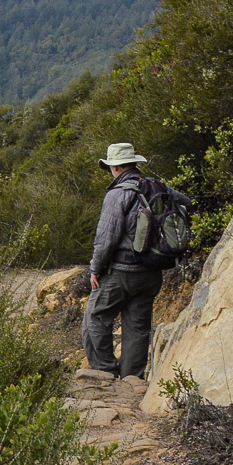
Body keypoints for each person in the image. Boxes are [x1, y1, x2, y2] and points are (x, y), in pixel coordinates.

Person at [83, 142, 169, 378]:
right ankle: (132, 379)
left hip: (122, 271)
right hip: (152, 272)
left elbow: (106, 239)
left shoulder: (117, 194)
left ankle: (106, 374)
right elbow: (186, 205)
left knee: (95, 318)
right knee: (137, 328)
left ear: (116, 168)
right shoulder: (158, 187)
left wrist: (95, 269)